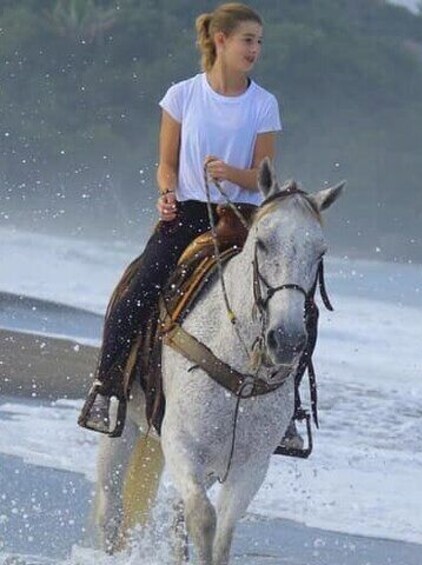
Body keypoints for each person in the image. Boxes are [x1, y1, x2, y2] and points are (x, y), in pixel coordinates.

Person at [78, 3, 282, 436]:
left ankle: (288, 413)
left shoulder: (263, 104)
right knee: (138, 287)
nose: (255, 49)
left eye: (260, 42)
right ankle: (107, 385)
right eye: (248, 40)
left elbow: (264, 178)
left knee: (294, 301)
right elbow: (165, 165)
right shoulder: (183, 95)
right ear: (220, 40)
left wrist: (231, 173)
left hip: (243, 219)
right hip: (189, 213)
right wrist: (167, 192)